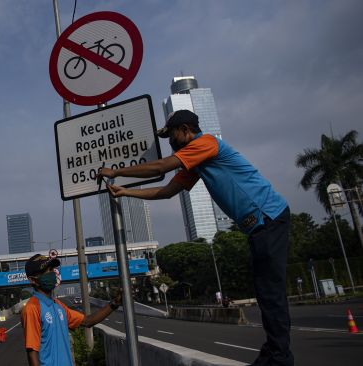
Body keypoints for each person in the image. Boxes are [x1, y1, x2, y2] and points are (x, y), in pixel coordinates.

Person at [97, 109, 293, 366]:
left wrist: (117, 172)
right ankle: (274, 351)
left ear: (186, 130)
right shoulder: (197, 162)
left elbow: (162, 166)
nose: (170, 141)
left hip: (268, 216)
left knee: (271, 291)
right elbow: (167, 191)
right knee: (265, 290)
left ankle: (280, 358)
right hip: (259, 226)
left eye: (172, 135)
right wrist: (126, 193)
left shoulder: (206, 143)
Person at [21, 254, 122, 366]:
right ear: (32, 280)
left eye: (52, 269)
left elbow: (87, 321)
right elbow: (32, 353)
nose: (52, 273)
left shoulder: (58, 305)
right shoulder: (32, 308)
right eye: (46, 271)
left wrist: (114, 303)